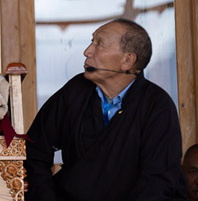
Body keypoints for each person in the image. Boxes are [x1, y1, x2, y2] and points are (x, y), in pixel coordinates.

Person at [25, 18, 187, 200]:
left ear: (127, 60)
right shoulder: (75, 91)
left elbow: (158, 180)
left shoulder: (156, 105)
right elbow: (34, 150)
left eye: (99, 44)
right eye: (91, 42)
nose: (87, 52)